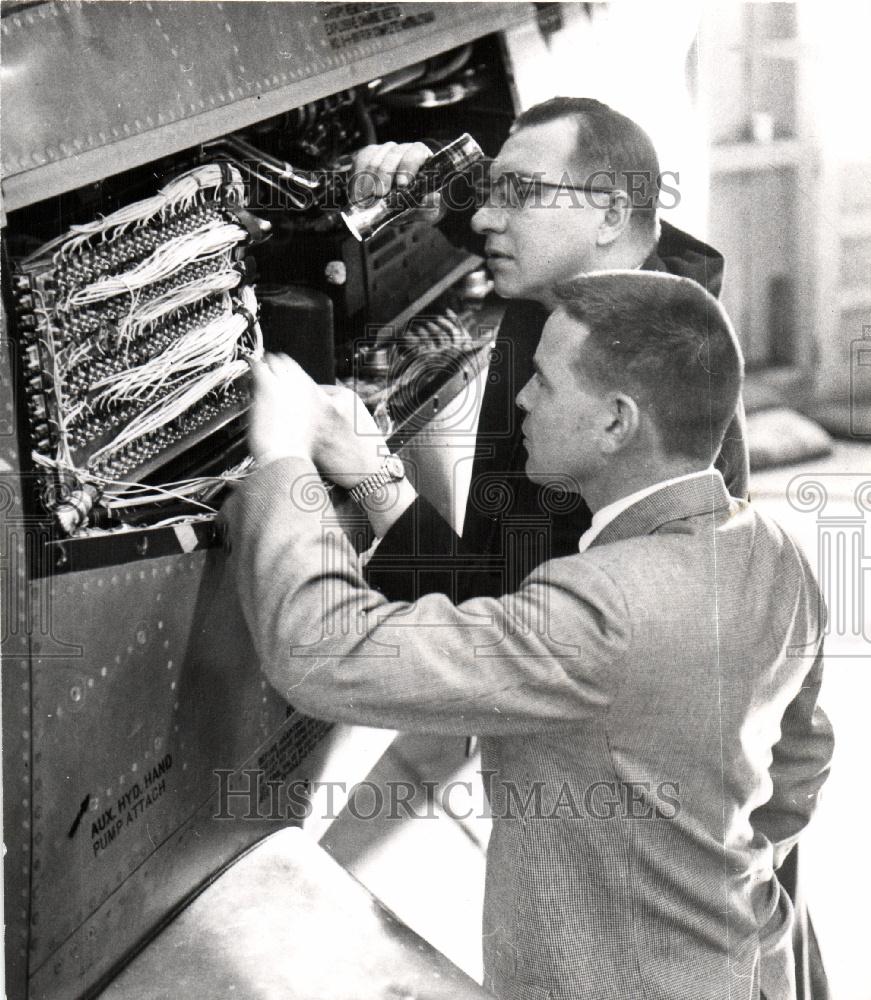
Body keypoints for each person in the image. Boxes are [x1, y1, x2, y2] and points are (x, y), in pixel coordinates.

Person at [229, 270, 833, 1000]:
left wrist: (284, 459)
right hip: (750, 965)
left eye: (543, 381)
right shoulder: (774, 551)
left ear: (616, 422)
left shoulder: (606, 607)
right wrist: (707, 879)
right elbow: (798, 762)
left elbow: (323, 653)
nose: (520, 399)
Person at [350, 97, 750, 604]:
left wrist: (372, 479)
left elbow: (506, 627)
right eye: (493, 191)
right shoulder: (629, 284)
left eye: (519, 194)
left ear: (609, 215)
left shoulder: (618, 415)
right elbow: (538, 217)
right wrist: (436, 183)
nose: (483, 220)